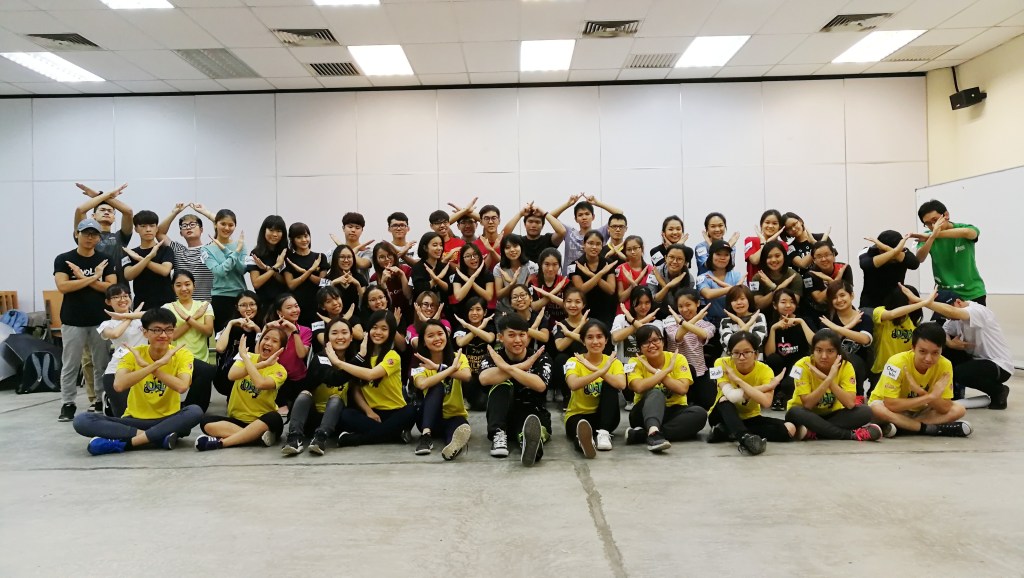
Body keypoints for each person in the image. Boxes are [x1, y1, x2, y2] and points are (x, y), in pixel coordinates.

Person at [73, 308, 202, 455]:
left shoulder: (182, 354)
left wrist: (151, 367)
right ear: (145, 332)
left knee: (194, 411)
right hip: (134, 420)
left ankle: (128, 443)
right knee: (82, 420)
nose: (163, 335)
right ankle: (158, 437)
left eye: (169, 330)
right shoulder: (133, 353)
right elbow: (119, 385)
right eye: (157, 330)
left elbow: (182, 386)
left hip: (168, 419)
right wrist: (155, 365)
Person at [54, 218, 117, 422]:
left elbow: (110, 287)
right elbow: (63, 287)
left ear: (99, 238)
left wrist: (81, 278)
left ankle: (100, 400)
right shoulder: (64, 259)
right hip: (72, 320)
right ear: (77, 234)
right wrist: (93, 278)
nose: (90, 238)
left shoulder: (105, 259)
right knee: (70, 364)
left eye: (94, 234)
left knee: (101, 364)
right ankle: (68, 403)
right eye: (86, 233)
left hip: (100, 320)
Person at [867, 322, 972, 437]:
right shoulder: (896, 362)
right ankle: (929, 429)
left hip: (920, 412)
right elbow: (891, 404)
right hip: (892, 410)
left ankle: (902, 427)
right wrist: (930, 397)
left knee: (959, 409)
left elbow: (945, 408)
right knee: (877, 409)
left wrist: (921, 392)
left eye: (935, 353)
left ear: (942, 350)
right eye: (922, 351)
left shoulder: (945, 365)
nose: (928, 359)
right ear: (913, 348)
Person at [916, 290, 1013, 409]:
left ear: (958, 302)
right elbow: (943, 331)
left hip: (999, 364)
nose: (948, 318)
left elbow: (953, 312)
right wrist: (950, 343)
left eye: (947, 314)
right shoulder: (954, 320)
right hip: (976, 360)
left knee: (961, 373)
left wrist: (921, 301)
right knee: (944, 349)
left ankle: (999, 391)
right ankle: (952, 393)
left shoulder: (978, 311)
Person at [334, 311, 417, 447]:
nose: (378, 332)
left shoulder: (393, 356)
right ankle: (394, 434)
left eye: (384, 329)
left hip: (396, 412)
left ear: (390, 332)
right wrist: (368, 411)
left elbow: (371, 375)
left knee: (411, 411)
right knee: (345, 414)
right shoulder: (361, 356)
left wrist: (339, 363)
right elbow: (356, 389)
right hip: (372, 414)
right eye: (374, 327)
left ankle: (358, 439)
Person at [195, 330, 289, 451]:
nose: (268, 343)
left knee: (274, 417)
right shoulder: (247, 355)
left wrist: (252, 361)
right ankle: (255, 438)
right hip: (237, 420)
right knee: (205, 423)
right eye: (266, 338)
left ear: (281, 349)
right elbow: (232, 375)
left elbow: (260, 383)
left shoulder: (280, 371)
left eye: (274, 341)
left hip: (262, 422)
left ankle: (222, 443)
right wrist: (258, 363)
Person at [479, 315, 552, 466]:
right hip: (502, 414)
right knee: (502, 385)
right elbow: (484, 378)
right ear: (500, 337)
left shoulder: (540, 356)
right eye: (511, 335)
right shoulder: (494, 357)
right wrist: (522, 367)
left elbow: (540, 385)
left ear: (528, 336)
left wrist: (505, 368)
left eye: (522, 335)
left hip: (532, 412)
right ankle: (499, 434)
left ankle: (529, 443)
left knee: (529, 428)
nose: (518, 340)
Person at [784, 329, 882, 442]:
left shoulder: (846, 366)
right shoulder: (802, 365)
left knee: (865, 411)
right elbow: (808, 404)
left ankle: (813, 432)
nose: (824, 356)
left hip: (832, 415)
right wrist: (828, 380)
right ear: (812, 351)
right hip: (805, 414)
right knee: (795, 412)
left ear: (837, 353)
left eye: (830, 351)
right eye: (819, 350)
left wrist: (828, 379)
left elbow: (850, 404)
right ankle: (850, 435)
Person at [707, 331, 794, 456]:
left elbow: (766, 402)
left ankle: (727, 431)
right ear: (730, 354)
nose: (741, 357)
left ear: (756, 354)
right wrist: (766, 387)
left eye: (747, 352)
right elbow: (731, 396)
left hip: (750, 417)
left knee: (789, 429)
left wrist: (738, 381)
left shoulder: (765, 370)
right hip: (721, 415)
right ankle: (745, 438)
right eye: (736, 353)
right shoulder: (720, 363)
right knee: (724, 400)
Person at [624, 325, 707, 452]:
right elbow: (638, 387)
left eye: (655, 340)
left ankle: (646, 434)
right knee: (656, 393)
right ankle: (653, 432)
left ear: (662, 342)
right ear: (640, 348)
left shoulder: (678, 358)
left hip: (674, 410)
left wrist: (656, 373)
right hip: (643, 413)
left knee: (700, 414)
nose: (652, 345)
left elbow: (682, 389)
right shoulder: (635, 362)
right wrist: (665, 371)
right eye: (646, 342)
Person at [282, 317, 356, 456]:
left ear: (351, 337)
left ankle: (320, 438)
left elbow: (357, 391)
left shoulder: (353, 359)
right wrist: (339, 362)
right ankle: (295, 437)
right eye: (334, 333)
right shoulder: (320, 359)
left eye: (344, 332)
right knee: (304, 394)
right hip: (313, 418)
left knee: (336, 399)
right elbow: (334, 378)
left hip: (337, 419)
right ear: (327, 338)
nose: (340, 337)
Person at [410, 320, 473, 461]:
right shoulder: (419, 363)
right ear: (423, 342)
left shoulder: (458, 357)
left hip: (454, 415)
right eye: (430, 336)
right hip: (428, 419)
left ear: (446, 336)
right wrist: (449, 370)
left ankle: (452, 447)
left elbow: (467, 376)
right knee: (437, 386)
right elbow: (422, 384)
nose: (437, 338)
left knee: (459, 428)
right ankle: (425, 437)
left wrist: (438, 368)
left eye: (440, 334)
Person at [563, 320, 627, 458]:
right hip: (578, 416)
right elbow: (573, 384)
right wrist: (600, 371)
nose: (595, 341)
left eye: (599, 337)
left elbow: (621, 384)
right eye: (590, 337)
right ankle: (585, 442)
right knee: (579, 429)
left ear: (606, 340)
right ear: (583, 341)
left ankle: (603, 433)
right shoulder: (574, 361)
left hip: (605, 417)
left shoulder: (614, 362)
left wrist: (594, 369)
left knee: (611, 384)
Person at [913, 199, 986, 304]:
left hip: (972, 293)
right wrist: (932, 237)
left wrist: (933, 235)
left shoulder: (964, 228)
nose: (933, 226)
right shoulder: (927, 236)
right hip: (944, 294)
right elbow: (919, 258)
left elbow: (969, 233)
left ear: (946, 215)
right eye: (927, 223)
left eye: (935, 220)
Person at [162, 270, 215, 412]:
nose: (184, 288)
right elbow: (172, 336)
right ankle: (186, 411)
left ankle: (188, 410)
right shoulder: (168, 308)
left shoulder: (204, 306)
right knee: (207, 372)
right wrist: (194, 318)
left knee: (201, 408)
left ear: (194, 286)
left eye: (187, 284)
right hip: (178, 358)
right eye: (178, 285)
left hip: (201, 358)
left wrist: (187, 318)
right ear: (173, 287)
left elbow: (208, 331)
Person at [96, 284, 146, 418]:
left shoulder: (142, 319)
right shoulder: (107, 324)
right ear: (108, 302)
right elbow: (115, 334)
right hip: (117, 370)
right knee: (123, 415)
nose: (122, 299)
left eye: (125, 296)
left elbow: (160, 315)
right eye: (116, 297)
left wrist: (132, 315)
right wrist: (130, 317)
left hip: (142, 369)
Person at [663, 288, 716, 410]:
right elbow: (677, 336)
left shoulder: (707, 325)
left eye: (688, 305)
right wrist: (694, 319)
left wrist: (683, 322)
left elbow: (704, 335)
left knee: (708, 403)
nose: (684, 309)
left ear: (697, 303)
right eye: (680, 306)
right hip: (676, 373)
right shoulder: (670, 320)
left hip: (698, 371)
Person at [869, 285, 929, 389]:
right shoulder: (880, 312)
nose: (913, 305)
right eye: (911, 301)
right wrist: (924, 303)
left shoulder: (912, 322)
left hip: (905, 371)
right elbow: (892, 314)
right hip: (883, 370)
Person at [818, 281, 872, 396]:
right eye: (834, 297)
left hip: (858, 363)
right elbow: (826, 343)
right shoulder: (827, 319)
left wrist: (836, 328)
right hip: (830, 361)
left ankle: (858, 395)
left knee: (850, 360)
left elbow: (864, 339)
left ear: (851, 295)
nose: (839, 300)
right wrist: (850, 326)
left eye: (842, 295)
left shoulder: (864, 318)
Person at [763, 288, 814, 410]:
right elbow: (769, 354)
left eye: (792, 302)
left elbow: (814, 342)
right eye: (783, 302)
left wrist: (801, 322)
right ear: (775, 305)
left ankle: (783, 394)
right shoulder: (771, 323)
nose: (788, 305)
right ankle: (777, 394)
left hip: (798, 365)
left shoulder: (804, 320)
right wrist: (774, 329)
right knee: (773, 359)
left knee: (788, 385)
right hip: (780, 366)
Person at [73, 183, 133, 284]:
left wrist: (98, 195)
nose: (106, 212)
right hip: (93, 285)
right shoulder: (85, 235)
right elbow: (80, 210)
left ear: (114, 218)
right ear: (93, 216)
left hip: (119, 289)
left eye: (110, 211)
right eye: (102, 210)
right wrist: (105, 195)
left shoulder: (121, 237)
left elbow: (128, 211)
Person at [550, 193, 622, 275]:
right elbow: (550, 216)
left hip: (595, 277)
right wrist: (568, 204)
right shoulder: (569, 232)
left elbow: (619, 214)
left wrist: (598, 203)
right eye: (580, 215)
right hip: (569, 279)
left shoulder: (600, 233)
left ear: (593, 217)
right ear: (576, 219)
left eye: (587, 214)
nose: (584, 217)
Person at [157, 203, 214, 302]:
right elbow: (159, 233)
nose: (188, 227)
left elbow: (223, 225)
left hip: (207, 304)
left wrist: (205, 212)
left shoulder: (211, 248)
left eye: (192, 224)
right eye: (184, 226)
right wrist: (174, 212)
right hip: (181, 305)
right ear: (181, 233)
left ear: (201, 230)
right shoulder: (177, 250)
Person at [265, 293, 312, 413]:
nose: (295, 310)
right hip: (276, 378)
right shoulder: (273, 329)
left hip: (298, 379)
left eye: (296, 306)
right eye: (289, 307)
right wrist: (265, 329)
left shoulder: (305, 330)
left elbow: (301, 354)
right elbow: (259, 354)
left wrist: (295, 331)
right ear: (279, 312)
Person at [203, 208, 247, 333]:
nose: (227, 228)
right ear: (215, 224)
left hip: (240, 297)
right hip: (220, 297)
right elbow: (219, 272)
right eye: (223, 224)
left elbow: (242, 270)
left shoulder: (240, 244)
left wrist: (231, 251)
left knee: (242, 335)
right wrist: (235, 253)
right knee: (222, 336)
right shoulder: (206, 249)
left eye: (231, 225)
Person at [122, 210, 174, 311]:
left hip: (166, 303)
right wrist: (148, 257)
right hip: (142, 304)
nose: (148, 229)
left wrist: (140, 259)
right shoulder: (130, 252)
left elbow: (165, 271)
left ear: (156, 228)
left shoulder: (166, 249)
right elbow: (128, 275)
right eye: (143, 226)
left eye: (152, 226)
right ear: (136, 229)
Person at [213, 291, 262, 397]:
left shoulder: (263, 325)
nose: (248, 308)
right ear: (237, 307)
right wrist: (230, 324)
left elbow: (261, 353)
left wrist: (257, 330)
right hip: (231, 370)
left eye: (252, 304)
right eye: (243, 305)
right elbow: (220, 348)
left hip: (255, 370)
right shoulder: (230, 324)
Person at [451, 296, 496, 411]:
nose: (474, 313)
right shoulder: (460, 328)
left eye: (478, 309)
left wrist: (471, 327)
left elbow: (489, 338)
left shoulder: (490, 327)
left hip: (484, 374)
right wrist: (477, 327)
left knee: (481, 405)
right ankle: (464, 398)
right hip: (467, 375)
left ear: (485, 312)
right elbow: (460, 342)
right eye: (471, 310)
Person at [568, 230, 618, 327]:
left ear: (602, 246)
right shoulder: (574, 265)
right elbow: (581, 290)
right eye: (590, 243)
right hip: (584, 311)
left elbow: (611, 290)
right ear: (584, 244)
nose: (594, 247)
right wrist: (600, 274)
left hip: (606, 310)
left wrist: (591, 275)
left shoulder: (608, 263)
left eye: (598, 244)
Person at [696, 239, 744, 338]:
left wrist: (728, 287)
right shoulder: (703, 277)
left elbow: (744, 296)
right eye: (718, 254)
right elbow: (708, 294)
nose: (722, 258)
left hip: (735, 323)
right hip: (710, 325)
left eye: (726, 255)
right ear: (711, 256)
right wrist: (734, 289)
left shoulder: (737, 275)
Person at [283, 222, 328, 327]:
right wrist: (311, 270)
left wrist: (303, 272)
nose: (304, 240)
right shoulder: (289, 259)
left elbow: (323, 282)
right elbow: (291, 285)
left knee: (318, 335)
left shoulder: (320, 257)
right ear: (292, 239)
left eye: (306, 236)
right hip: (297, 307)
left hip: (317, 305)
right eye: (299, 237)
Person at [550, 286, 589, 409]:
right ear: (564, 304)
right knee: (560, 359)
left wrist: (570, 333)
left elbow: (593, 344)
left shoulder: (591, 323)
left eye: (577, 302)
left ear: (583, 305)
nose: (573, 305)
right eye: (569, 301)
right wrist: (579, 327)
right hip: (569, 364)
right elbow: (560, 346)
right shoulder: (561, 324)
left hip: (587, 360)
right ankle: (568, 397)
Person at [859, 230, 918, 309]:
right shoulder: (868, 251)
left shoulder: (903, 251)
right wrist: (895, 251)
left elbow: (914, 264)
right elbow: (866, 264)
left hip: (895, 303)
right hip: (870, 305)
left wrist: (889, 249)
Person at [611, 286, 662, 370]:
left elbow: (651, 339)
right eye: (639, 303)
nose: (643, 307)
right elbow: (616, 337)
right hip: (623, 367)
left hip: (647, 369)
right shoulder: (620, 318)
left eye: (647, 303)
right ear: (632, 302)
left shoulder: (657, 323)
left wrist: (632, 320)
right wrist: (643, 321)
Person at [247, 215, 289, 313]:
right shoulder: (255, 254)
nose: (275, 234)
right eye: (271, 230)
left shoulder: (286, 253)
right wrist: (275, 267)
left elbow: (286, 282)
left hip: (284, 304)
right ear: (264, 231)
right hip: (263, 304)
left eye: (279, 231)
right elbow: (256, 283)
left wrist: (267, 268)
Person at [501, 202, 567, 264]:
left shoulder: (548, 239)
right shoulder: (519, 241)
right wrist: (520, 214)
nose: (533, 225)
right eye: (530, 221)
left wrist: (544, 213)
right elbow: (503, 235)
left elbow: (562, 232)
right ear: (525, 224)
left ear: (542, 226)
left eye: (537, 222)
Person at [803, 241, 854, 317]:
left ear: (833, 255)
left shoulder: (844, 268)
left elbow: (848, 294)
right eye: (819, 256)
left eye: (827, 255)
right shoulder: (809, 275)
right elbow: (819, 299)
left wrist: (832, 282)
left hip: (841, 307)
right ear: (814, 260)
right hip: (819, 312)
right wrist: (835, 281)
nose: (823, 259)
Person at [750, 240, 801, 316]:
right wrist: (779, 288)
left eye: (777, 256)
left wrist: (773, 286)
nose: (773, 260)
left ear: (784, 256)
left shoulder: (794, 276)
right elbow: (758, 305)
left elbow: (792, 305)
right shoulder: (757, 278)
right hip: (765, 317)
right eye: (769, 257)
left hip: (789, 317)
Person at [369, 242, 412, 329]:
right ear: (376, 260)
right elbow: (385, 304)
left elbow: (408, 296)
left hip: (408, 314)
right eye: (382, 257)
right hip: (387, 318)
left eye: (389, 255)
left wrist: (402, 275)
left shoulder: (406, 269)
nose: (387, 259)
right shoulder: (374, 278)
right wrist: (383, 283)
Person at [717, 285, 768, 353]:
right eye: (734, 300)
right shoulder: (725, 321)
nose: (739, 303)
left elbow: (756, 342)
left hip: (755, 358)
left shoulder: (758, 317)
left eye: (742, 299)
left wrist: (739, 322)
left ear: (749, 300)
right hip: (732, 359)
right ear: (730, 303)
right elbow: (730, 343)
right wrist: (745, 324)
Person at [615, 235, 657, 315]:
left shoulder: (651, 270)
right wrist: (634, 284)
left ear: (642, 249)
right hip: (624, 313)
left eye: (635, 248)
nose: (632, 252)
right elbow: (621, 298)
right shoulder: (620, 269)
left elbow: (652, 296)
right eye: (629, 249)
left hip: (644, 313)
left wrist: (633, 282)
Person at [528, 248, 569, 332]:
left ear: (559, 265)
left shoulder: (565, 282)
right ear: (540, 264)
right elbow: (534, 307)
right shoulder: (533, 282)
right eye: (547, 264)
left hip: (562, 325)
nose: (550, 269)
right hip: (540, 325)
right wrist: (554, 291)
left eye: (555, 264)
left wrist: (548, 295)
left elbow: (568, 305)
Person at [492, 235, 534, 313]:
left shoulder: (531, 266)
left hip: (525, 309)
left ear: (521, 247)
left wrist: (512, 282)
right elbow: (499, 295)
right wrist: (512, 283)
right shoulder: (499, 268)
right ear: (503, 250)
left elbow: (528, 292)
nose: (512, 250)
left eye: (515, 246)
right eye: (507, 247)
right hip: (505, 310)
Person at [744, 209, 788, 281]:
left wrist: (768, 242)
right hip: (755, 284)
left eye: (774, 223)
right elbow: (754, 261)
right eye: (767, 222)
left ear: (780, 227)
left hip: (775, 284)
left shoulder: (783, 245)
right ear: (761, 225)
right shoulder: (750, 240)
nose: (770, 226)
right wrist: (764, 243)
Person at [453, 242, 495, 313]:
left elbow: (489, 297)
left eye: (475, 254)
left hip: (482, 313)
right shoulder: (459, 275)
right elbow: (458, 297)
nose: (473, 258)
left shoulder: (487, 274)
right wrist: (472, 278)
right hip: (463, 312)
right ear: (462, 259)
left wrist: (470, 280)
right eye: (468, 256)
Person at [411, 231, 452, 303]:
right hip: (422, 307)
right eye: (435, 245)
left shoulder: (444, 267)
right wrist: (438, 278)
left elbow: (450, 290)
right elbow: (420, 290)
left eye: (441, 245)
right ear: (425, 248)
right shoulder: (418, 267)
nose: (439, 248)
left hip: (444, 307)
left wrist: (437, 279)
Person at [324, 244, 367, 309]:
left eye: (349, 257)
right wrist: (333, 283)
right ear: (336, 258)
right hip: (334, 314)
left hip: (355, 314)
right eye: (342, 257)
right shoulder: (326, 278)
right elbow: (322, 301)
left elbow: (364, 303)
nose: (346, 260)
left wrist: (357, 284)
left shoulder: (360, 278)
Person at [651, 243, 694, 308]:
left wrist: (663, 284)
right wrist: (667, 286)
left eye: (679, 259)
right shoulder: (655, 272)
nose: (674, 261)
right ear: (665, 258)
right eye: (671, 257)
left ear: (685, 262)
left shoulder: (690, 279)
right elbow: (653, 299)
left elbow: (683, 304)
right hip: (657, 310)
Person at [333, 212, 374, 276]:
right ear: (343, 228)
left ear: (362, 230)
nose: (353, 230)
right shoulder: (333, 251)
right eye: (350, 227)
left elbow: (362, 264)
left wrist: (341, 246)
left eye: (357, 228)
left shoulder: (367, 251)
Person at [473, 205, 503, 270]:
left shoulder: (506, 242)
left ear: (499, 221)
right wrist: (493, 250)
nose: (490, 222)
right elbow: (480, 271)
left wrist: (492, 250)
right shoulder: (474, 246)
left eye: (494, 218)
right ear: (481, 222)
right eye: (486, 218)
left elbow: (508, 267)